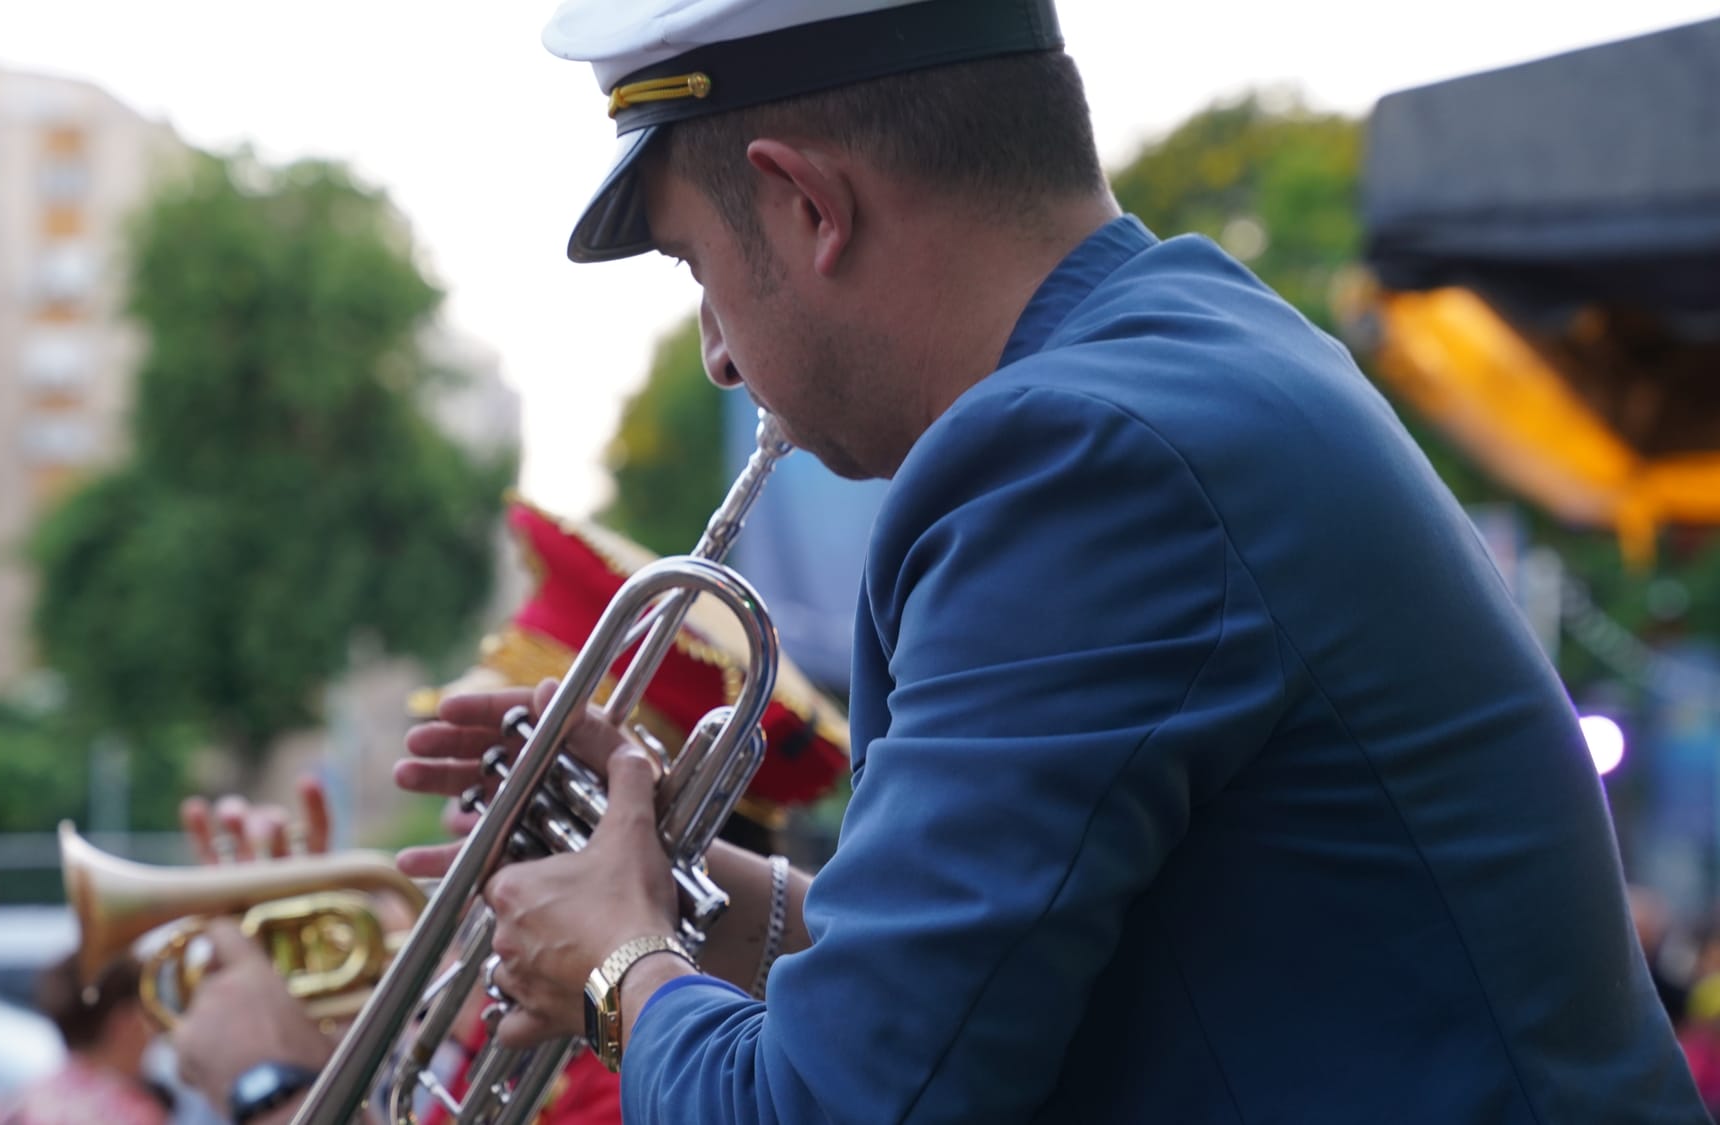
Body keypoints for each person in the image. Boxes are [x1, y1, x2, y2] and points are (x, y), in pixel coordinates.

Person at [393, 1, 1710, 1121]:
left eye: (697, 268)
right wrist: (680, 890)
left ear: (805, 205)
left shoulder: (1075, 457)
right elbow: (1058, 976)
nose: (721, 355)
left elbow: (847, 1108)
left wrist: (618, 963)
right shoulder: (1199, 352)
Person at [166, 497, 850, 1123]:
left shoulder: (639, 1065)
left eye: (512, 800)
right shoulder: (511, 1036)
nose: (467, 834)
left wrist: (277, 1084)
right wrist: (325, 1034)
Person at [0, 952, 172, 1125]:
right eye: (148, 1014)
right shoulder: (135, 1114)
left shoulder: (8, 1107)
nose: (153, 1030)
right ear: (125, 1022)